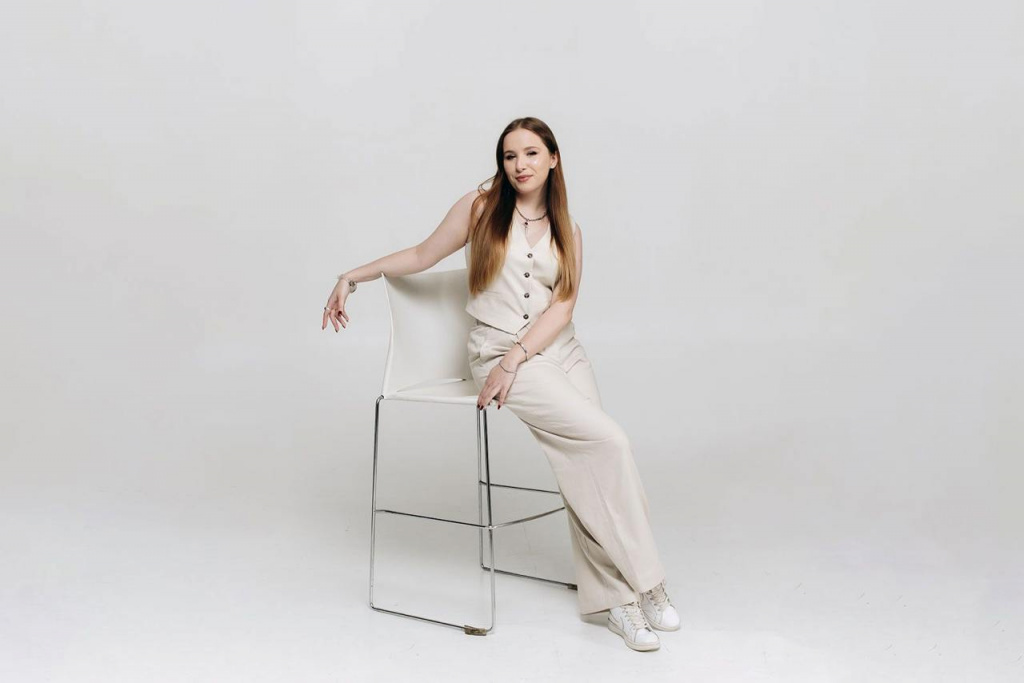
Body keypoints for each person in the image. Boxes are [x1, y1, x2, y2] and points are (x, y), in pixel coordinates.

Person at [321, 116, 679, 652]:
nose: (520, 165)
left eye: (531, 153)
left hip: (559, 351)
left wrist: (521, 355)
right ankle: (646, 583)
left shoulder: (569, 229)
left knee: (590, 459)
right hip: (497, 354)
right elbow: (422, 255)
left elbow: (562, 309)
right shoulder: (480, 207)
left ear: (553, 159)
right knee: (609, 442)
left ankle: (615, 601)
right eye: (510, 156)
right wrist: (352, 275)